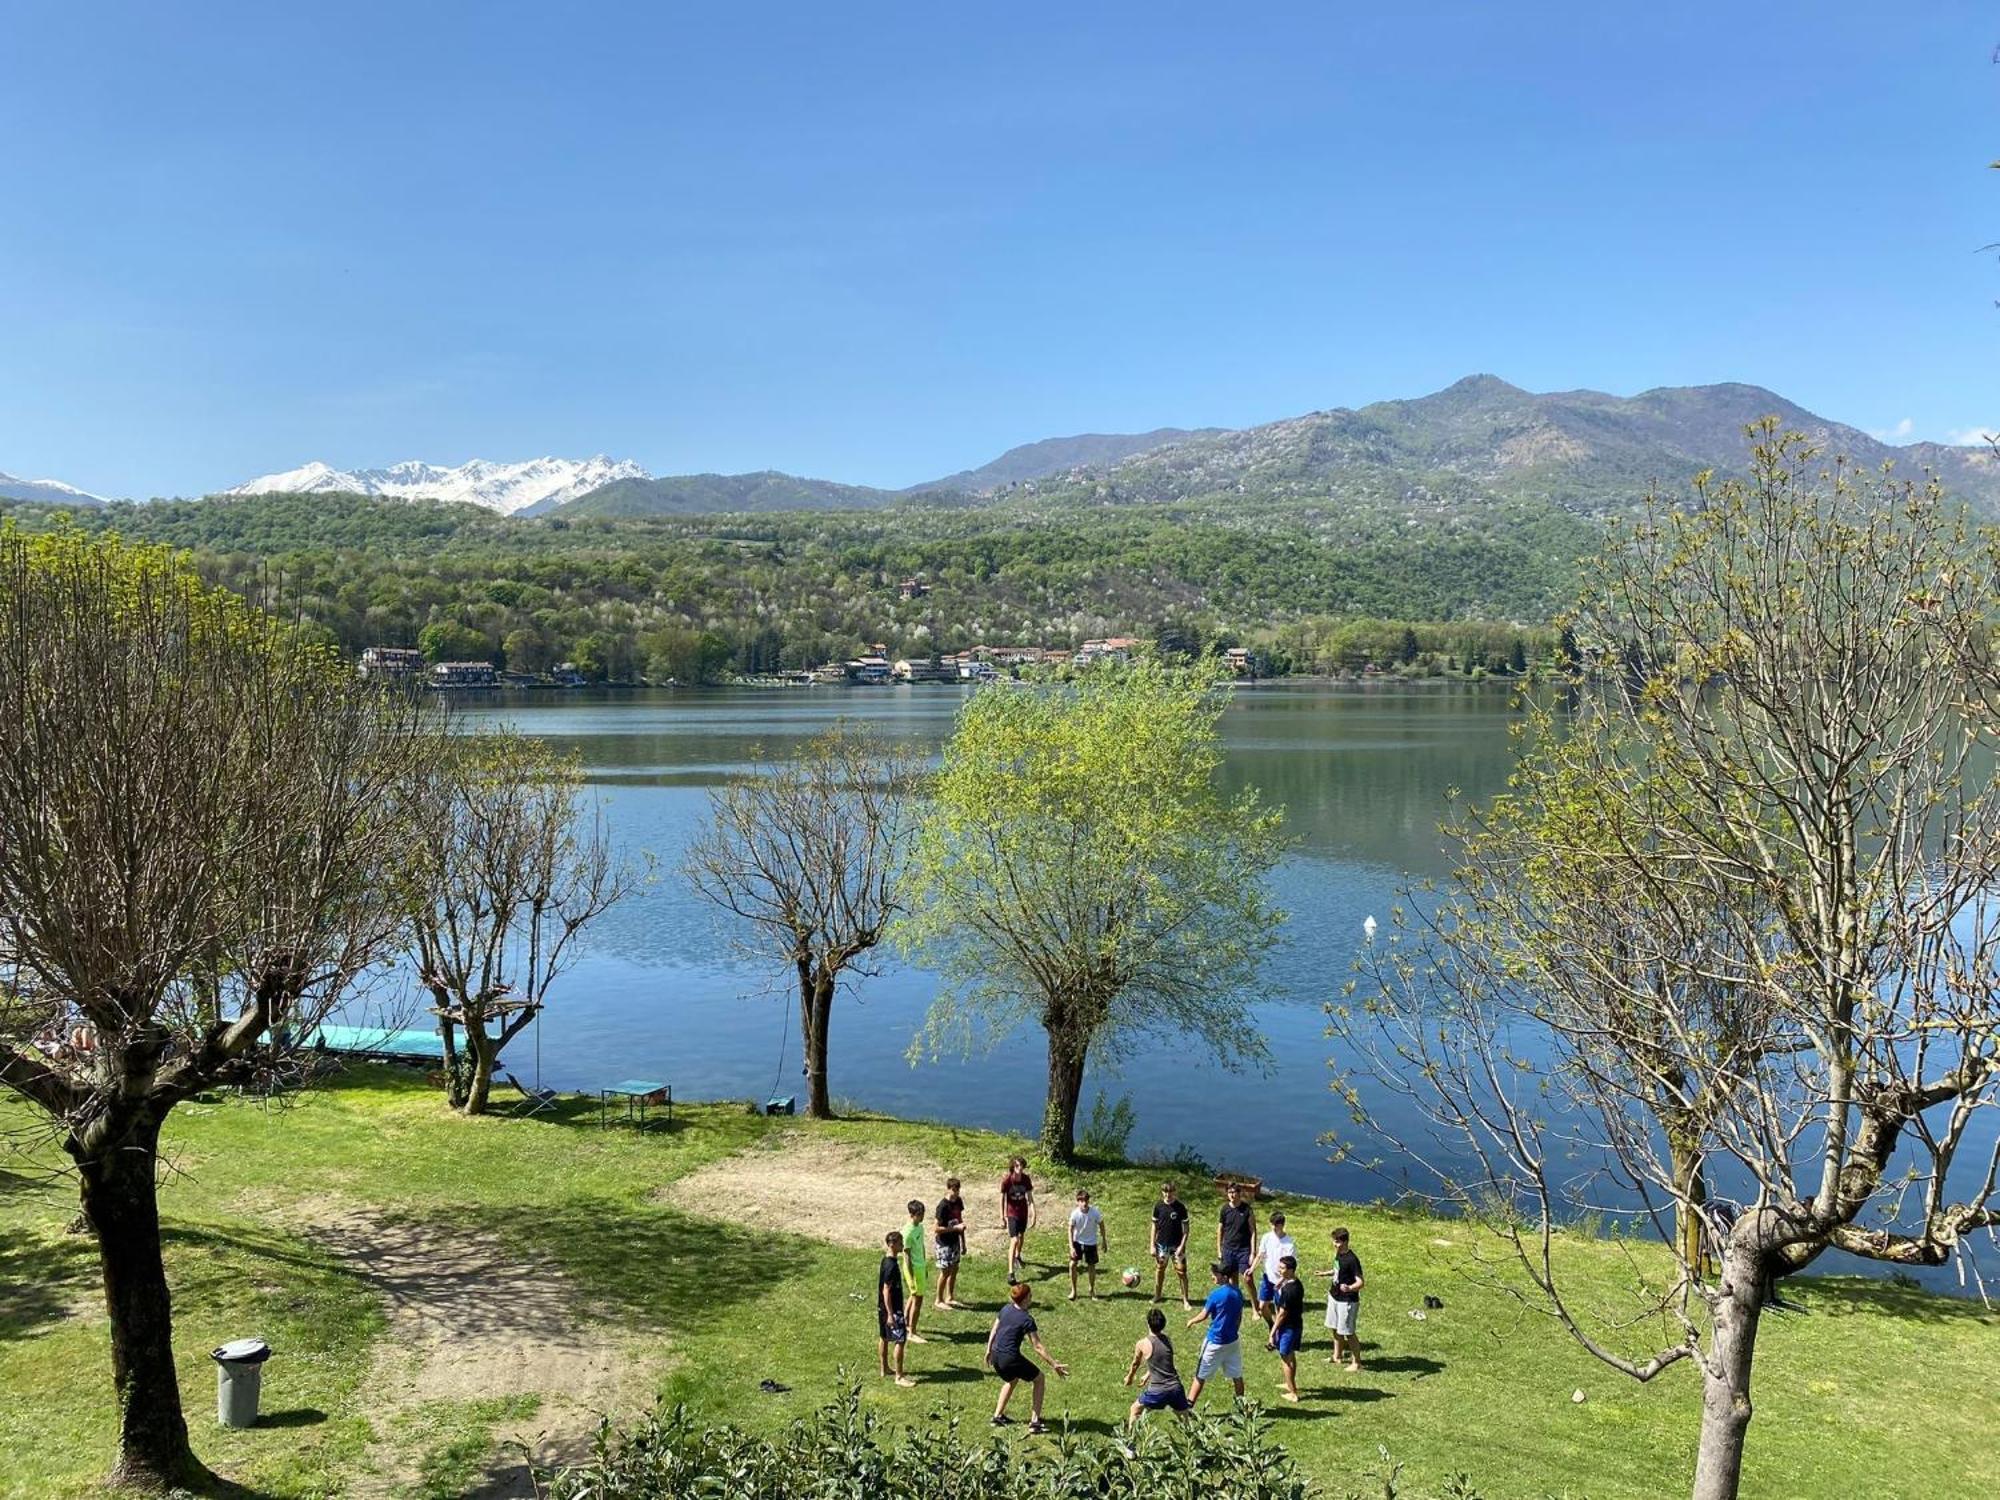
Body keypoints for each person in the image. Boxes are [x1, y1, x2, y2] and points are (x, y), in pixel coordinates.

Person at [986, 1281, 1067, 1433]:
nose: (1032, 1298)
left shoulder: (1005, 1309)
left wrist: (988, 1349)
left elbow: (995, 1329)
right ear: (1024, 1299)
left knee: (1012, 1379)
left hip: (996, 1354)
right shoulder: (1026, 1319)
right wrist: (1054, 1364)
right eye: (1030, 1296)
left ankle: (997, 1416)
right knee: (1039, 1378)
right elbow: (1037, 1346)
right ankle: (1035, 1423)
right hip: (1009, 1357)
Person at [1185, 1260, 1246, 1404]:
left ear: (1224, 1277)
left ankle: (1189, 1405)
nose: (1213, 1277)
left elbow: (1204, 1314)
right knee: (1237, 1375)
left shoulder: (1216, 1295)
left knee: (1200, 1375)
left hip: (1215, 1342)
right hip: (1232, 1342)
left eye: (1215, 1274)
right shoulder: (1237, 1292)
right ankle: (1242, 1405)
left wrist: (1192, 1320)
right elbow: (1239, 1316)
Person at [1123, 1306, 1191, 1420]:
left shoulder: (1142, 1343)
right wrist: (1148, 1374)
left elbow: (1135, 1364)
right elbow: (1163, 1360)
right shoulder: (1167, 1340)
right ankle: (1192, 1436)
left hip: (1158, 1391)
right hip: (1176, 1388)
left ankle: (1131, 1437)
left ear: (1148, 1324)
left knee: (1135, 1409)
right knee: (1183, 1416)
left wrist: (1129, 1377)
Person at [1320, 1225, 1365, 1371]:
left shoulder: (1352, 1260)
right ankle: (1337, 1356)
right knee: (1334, 1327)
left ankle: (1356, 1362)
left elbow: (1360, 1282)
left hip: (1347, 1301)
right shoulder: (1338, 1254)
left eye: (1337, 1242)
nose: (1335, 1244)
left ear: (1345, 1242)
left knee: (1348, 1332)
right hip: (1334, 1297)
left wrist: (1349, 1288)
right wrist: (1325, 1273)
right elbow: (1337, 1270)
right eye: (1334, 1241)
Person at [878, 1230, 915, 1387]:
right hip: (892, 1310)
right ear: (892, 1244)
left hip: (882, 1308)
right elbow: (886, 1290)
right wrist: (891, 1315)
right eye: (900, 1243)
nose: (902, 1245)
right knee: (900, 1340)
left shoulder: (885, 1261)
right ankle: (899, 1376)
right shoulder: (891, 1266)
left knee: (884, 1337)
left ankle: (884, 1368)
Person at [1266, 1254, 1304, 1402]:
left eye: (1282, 1268)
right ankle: (1289, 1384)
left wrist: (1272, 1332)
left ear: (1290, 1270)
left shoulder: (1289, 1291)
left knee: (1285, 1358)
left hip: (1287, 1328)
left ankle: (1293, 1393)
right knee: (1291, 1355)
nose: (1279, 1269)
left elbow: (1282, 1314)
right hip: (1295, 1324)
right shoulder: (1295, 1283)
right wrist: (1281, 1281)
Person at [1150, 1181, 1193, 1308]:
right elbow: (1154, 1226)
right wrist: (1152, 1245)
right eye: (1165, 1191)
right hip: (1161, 1245)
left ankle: (1185, 1300)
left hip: (1177, 1246)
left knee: (1182, 1272)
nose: (1168, 1194)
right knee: (1160, 1269)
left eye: (1170, 1191)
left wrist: (1181, 1246)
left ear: (1174, 1192)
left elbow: (1186, 1229)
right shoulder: (1158, 1207)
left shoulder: (1180, 1207)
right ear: (1162, 1192)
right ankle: (1157, 1295)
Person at [1250, 1210, 1297, 1324]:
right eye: (1271, 1224)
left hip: (1281, 1281)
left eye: (1275, 1225)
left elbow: (1290, 1267)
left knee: (1279, 1310)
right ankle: (1272, 1325)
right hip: (1268, 1278)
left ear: (1282, 1225)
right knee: (1262, 1306)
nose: (1273, 1227)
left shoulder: (1289, 1243)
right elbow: (1261, 1254)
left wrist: (1281, 1281)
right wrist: (1251, 1268)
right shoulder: (1267, 1237)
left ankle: (1278, 1333)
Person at [1067, 1187, 1108, 1300]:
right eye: (1081, 1201)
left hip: (1091, 1243)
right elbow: (1070, 1229)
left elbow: (1101, 1224)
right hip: (1077, 1242)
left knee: (1091, 1266)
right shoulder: (1075, 1214)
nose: (1084, 1203)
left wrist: (1104, 1240)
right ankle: (1074, 1290)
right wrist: (1071, 1247)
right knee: (1072, 1264)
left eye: (1086, 1201)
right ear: (1077, 1202)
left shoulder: (1095, 1212)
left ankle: (1091, 1290)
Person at [1000, 1155, 1036, 1282]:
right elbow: (1002, 1199)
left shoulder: (1026, 1179)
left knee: (1021, 1237)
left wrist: (1034, 1214)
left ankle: (1017, 1256)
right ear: (1012, 1167)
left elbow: (1030, 1198)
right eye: (1017, 1166)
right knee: (1014, 1240)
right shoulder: (1007, 1181)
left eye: (1021, 1166)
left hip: (1023, 1213)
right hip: (1011, 1214)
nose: (1019, 1168)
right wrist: (1002, 1216)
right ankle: (1010, 1272)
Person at [934, 1176, 967, 1310]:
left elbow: (960, 1220)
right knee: (945, 1271)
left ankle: (950, 1297)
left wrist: (963, 1242)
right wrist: (954, 1228)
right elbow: (936, 1229)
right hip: (944, 1243)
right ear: (948, 1189)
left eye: (957, 1190)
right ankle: (938, 1299)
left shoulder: (958, 1202)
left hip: (955, 1241)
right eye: (953, 1190)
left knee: (954, 1269)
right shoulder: (942, 1206)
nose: (956, 1193)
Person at [900, 1199, 930, 1342]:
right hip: (913, 1268)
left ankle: (905, 1322)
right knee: (918, 1299)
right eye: (920, 1214)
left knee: (914, 1297)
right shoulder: (907, 1232)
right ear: (912, 1214)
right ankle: (912, 1332)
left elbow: (922, 1247)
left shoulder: (920, 1228)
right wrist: (911, 1276)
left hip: (920, 1266)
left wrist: (924, 1265)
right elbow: (906, 1256)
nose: (922, 1217)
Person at [1217, 1181, 1257, 1285]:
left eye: (1234, 1192)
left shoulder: (1247, 1209)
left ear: (1239, 1193)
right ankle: (1237, 1300)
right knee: (1232, 1279)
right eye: (1229, 1192)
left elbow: (1253, 1231)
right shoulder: (1225, 1209)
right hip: (1228, 1249)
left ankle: (1255, 1302)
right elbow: (1220, 1230)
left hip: (1243, 1250)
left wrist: (1252, 1253)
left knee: (1248, 1279)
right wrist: (1219, 1250)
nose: (1232, 1195)